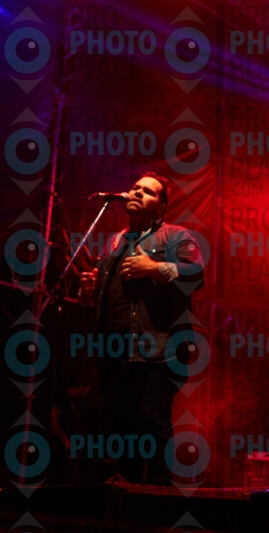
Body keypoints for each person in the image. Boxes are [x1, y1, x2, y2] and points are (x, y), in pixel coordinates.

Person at [78, 172, 204, 485]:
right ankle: (127, 502)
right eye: (135, 188)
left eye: (147, 191)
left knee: (152, 423)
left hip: (160, 351)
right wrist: (92, 291)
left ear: (161, 207)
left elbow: (195, 274)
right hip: (115, 355)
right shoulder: (114, 242)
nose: (136, 192)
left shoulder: (175, 235)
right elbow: (113, 299)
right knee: (123, 432)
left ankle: (160, 501)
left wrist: (154, 267)